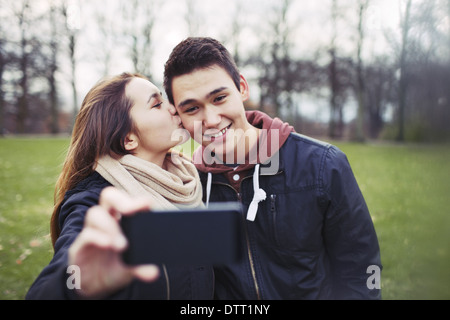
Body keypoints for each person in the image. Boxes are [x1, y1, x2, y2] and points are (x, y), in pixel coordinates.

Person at [162, 37, 382, 299]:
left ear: (242, 88)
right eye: (192, 108)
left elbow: (364, 270)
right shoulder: (186, 186)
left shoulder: (323, 165)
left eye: (220, 98)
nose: (210, 119)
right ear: (178, 115)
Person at [26, 72, 213, 299]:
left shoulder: (188, 181)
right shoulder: (96, 205)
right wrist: (76, 285)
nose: (173, 108)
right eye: (157, 104)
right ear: (129, 139)